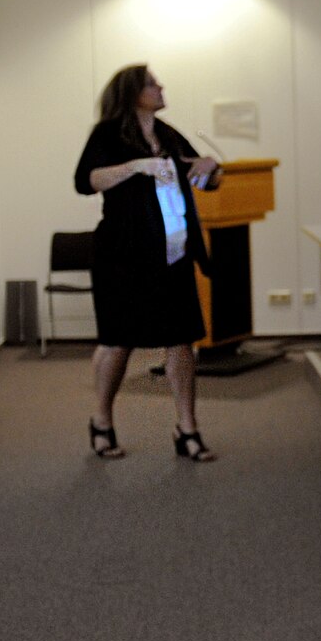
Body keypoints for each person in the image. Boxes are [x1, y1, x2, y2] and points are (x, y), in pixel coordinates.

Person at [71, 64, 221, 462]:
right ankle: (102, 421)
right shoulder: (108, 134)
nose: (160, 87)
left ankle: (187, 429)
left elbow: (198, 177)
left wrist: (210, 169)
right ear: (133, 92)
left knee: (181, 339)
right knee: (118, 341)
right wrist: (135, 166)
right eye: (152, 83)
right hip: (122, 254)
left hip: (172, 252)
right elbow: (86, 180)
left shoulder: (167, 134)